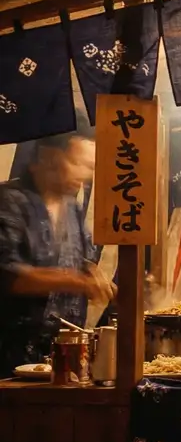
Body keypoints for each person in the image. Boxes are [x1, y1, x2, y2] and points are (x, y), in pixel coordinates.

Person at [0, 133, 115, 374]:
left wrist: (95, 275)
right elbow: (8, 275)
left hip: (62, 358)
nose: (86, 175)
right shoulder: (9, 200)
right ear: (48, 156)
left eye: (90, 167)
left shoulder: (72, 208)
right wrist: (77, 282)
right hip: (10, 357)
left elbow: (80, 260)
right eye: (77, 163)